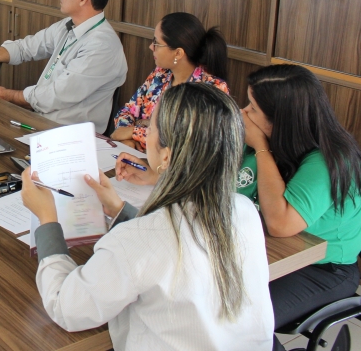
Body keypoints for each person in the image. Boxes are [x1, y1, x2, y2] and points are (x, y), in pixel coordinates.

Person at [22, 83, 274, 350]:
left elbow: (66, 307)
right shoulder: (244, 210)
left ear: (166, 155)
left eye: (150, 128)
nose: (145, 134)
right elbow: (166, 248)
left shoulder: (140, 240)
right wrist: (120, 210)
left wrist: (47, 220)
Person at [239, 64, 361, 351]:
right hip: (268, 252)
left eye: (253, 108)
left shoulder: (329, 160)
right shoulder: (278, 141)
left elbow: (280, 224)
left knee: (244, 321)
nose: (244, 113)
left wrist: (260, 147)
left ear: (282, 121)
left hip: (323, 269)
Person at [0, 0, 127, 132]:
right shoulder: (68, 25)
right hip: (40, 123)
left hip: (68, 136)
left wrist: (5, 95)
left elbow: (57, 95)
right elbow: (24, 48)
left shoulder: (102, 46)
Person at [112, 12, 229, 151]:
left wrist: (134, 132)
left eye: (156, 43)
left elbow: (186, 141)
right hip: (139, 155)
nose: (151, 47)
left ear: (178, 53)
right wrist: (128, 140)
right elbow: (128, 111)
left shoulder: (213, 88)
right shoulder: (160, 74)